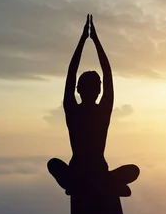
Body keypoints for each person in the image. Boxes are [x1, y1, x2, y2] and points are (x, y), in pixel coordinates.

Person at [48, 15, 139, 196]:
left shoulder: (75, 110)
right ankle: (107, 184)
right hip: (96, 173)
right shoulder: (99, 111)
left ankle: (81, 184)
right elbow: (106, 73)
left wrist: (85, 40)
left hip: (81, 173)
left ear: (78, 90)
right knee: (131, 172)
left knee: (53, 164)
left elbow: (73, 72)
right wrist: (93, 41)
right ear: (97, 91)